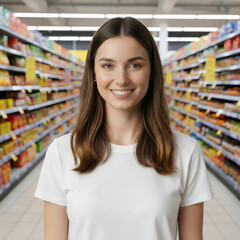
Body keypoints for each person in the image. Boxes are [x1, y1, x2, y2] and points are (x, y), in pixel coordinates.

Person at [35, 17, 213, 240]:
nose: (121, 79)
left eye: (134, 65)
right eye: (108, 65)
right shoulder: (62, 152)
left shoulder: (185, 152)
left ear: (152, 71)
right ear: (93, 73)